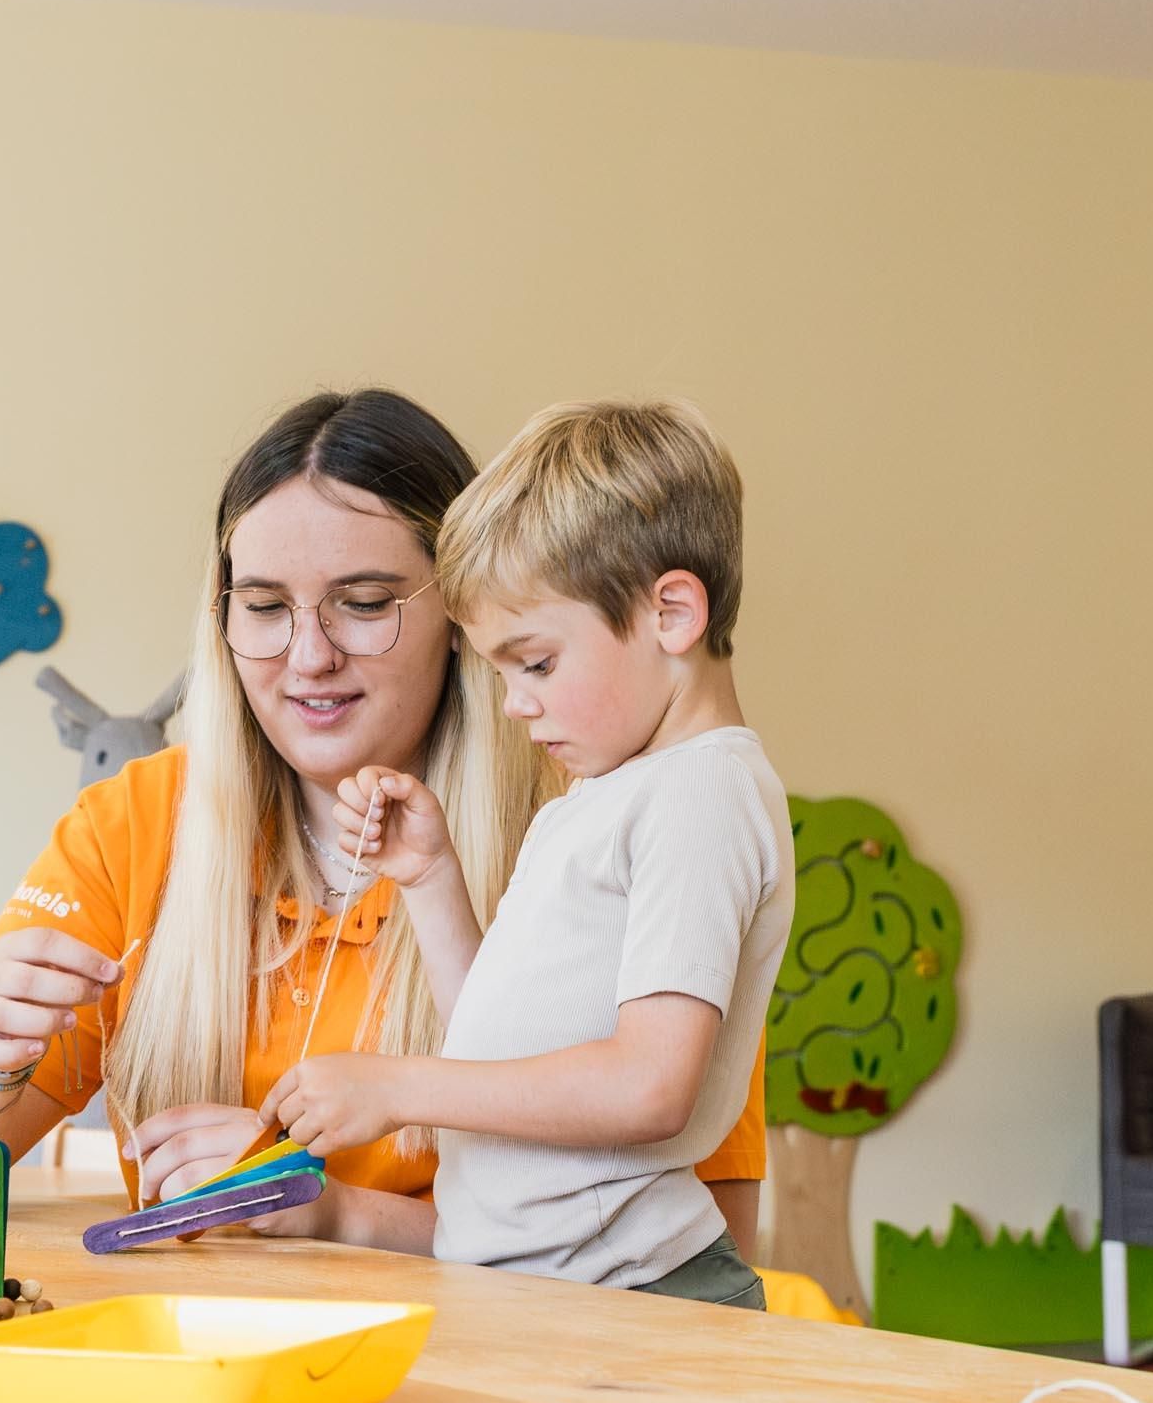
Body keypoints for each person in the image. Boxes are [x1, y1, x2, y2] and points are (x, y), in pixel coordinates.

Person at [0, 387, 764, 1252]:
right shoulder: (136, 825)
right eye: (262, 607)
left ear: (463, 612)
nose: (309, 656)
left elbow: (704, 1245)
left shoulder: (597, 820)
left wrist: (333, 1213)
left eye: (365, 604)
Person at [266, 400, 791, 1302]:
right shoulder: (603, 797)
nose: (514, 704)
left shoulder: (700, 794)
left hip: (639, 1293)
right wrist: (431, 879)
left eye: (537, 663)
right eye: (499, 672)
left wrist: (396, 1087)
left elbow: (647, 1086)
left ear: (672, 612)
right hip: (554, 1291)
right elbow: (502, 1056)